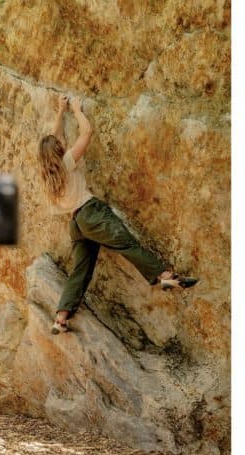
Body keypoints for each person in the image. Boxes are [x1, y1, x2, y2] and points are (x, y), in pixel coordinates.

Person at [39, 94, 197, 335]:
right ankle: (164, 275)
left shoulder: (50, 176)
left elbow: (56, 137)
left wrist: (61, 111)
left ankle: (60, 318)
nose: (62, 142)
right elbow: (87, 134)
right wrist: (78, 111)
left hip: (77, 223)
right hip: (91, 214)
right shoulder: (67, 162)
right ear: (59, 151)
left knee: (80, 271)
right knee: (127, 244)